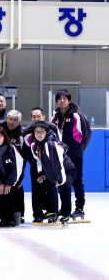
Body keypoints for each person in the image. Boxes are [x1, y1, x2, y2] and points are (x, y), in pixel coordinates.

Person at [51, 89, 91, 220]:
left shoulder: (77, 116)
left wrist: (79, 150)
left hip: (75, 155)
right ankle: (64, 208)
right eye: (60, 98)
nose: (62, 101)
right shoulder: (54, 117)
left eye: (65, 98)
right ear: (56, 101)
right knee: (62, 182)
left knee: (77, 182)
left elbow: (86, 134)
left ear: (69, 100)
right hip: (60, 156)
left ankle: (80, 208)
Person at [30, 121, 77, 225]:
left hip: (68, 170)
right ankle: (53, 212)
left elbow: (57, 165)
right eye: (36, 132)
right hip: (54, 171)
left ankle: (65, 213)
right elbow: (39, 161)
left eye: (41, 132)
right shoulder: (34, 145)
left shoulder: (51, 144)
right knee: (50, 187)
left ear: (46, 132)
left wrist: (59, 180)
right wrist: (41, 174)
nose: (39, 134)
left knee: (64, 187)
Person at [23, 107, 60, 222]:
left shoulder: (53, 128)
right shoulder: (26, 132)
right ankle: (37, 214)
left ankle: (52, 213)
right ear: (30, 119)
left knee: (51, 188)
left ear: (44, 117)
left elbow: (59, 146)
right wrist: (33, 163)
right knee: (37, 190)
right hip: (35, 166)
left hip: (51, 166)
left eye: (39, 116)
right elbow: (25, 151)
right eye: (34, 117)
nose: (36, 118)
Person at [0, 110, 26, 223]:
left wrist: (19, 177)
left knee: (16, 188)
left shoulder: (22, 135)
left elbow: (23, 158)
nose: (11, 122)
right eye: (10, 119)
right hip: (0, 168)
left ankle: (18, 214)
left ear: (19, 122)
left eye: (15, 120)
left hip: (14, 167)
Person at [0, 126, 23, 227]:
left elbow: (16, 166)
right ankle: (3, 218)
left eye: (0, 136)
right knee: (1, 198)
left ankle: (11, 219)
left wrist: (9, 183)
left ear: (5, 137)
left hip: (11, 178)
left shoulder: (10, 148)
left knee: (9, 198)